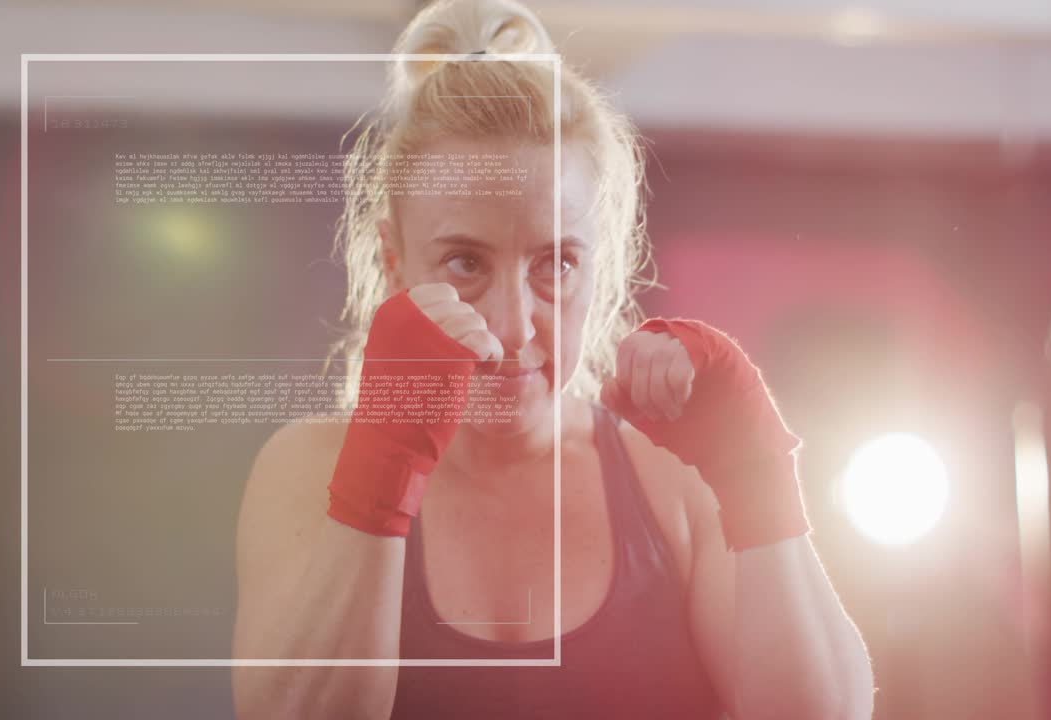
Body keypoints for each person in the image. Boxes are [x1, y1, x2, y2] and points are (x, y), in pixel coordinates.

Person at [231, 0, 874, 717]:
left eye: (555, 263)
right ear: (393, 262)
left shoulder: (669, 479)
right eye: (465, 262)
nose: (511, 328)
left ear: (599, 265)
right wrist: (380, 468)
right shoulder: (310, 470)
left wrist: (759, 480)